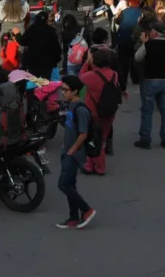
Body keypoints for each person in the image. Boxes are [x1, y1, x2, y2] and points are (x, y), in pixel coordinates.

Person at [55, 75, 96, 230]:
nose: (63, 93)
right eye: (62, 89)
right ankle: (73, 217)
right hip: (67, 151)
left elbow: (83, 133)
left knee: (63, 184)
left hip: (74, 154)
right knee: (70, 184)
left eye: (66, 90)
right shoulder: (70, 106)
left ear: (75, 91)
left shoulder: (81, 109)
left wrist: (72, 150)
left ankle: (87, 209)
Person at [80, 46, 119, 176]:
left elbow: (79, 79)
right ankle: (94, 165)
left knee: (91, 139)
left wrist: (87, 62)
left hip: (93, 112)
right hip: (109, 112)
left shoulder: (90, 76)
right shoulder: (114, 74)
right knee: (101, 140)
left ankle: (95, 166)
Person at [134, 22, 165, 150]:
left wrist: (144, 43)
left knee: (147, 110)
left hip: (150, 79)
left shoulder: (149, 45)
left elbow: (137, 57)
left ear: (155, 33)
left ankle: (145, 138)